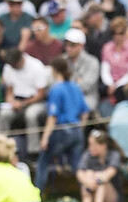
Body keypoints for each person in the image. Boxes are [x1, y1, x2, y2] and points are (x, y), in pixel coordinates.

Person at [35, 57, 89, 193]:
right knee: (78, 167)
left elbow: (52, 117)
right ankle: (88, 197)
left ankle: (37, 195)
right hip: (76, 130)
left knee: (43, 162)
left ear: (54, 70)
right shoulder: (76, 86)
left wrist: (45, 138)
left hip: (62, 130)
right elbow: (85, 112)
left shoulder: (56, 89)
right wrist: (80, 128)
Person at [0, 48, 50, 156]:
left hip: (36, 101)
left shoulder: (36, 66)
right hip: (17, 100)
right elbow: (9, 91)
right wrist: (11, 101)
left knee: (31, 115)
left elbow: (41, 94)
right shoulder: (9, 67)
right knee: (4, 114)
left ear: (21, 60)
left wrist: (23, 103)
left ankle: (33, 151)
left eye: (15, 65)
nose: (13, 67)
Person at [77, 129, 123, 202]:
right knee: (88, 173)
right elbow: (79, 172)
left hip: (111, 199)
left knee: (100, 177)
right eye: (89, 144)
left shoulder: (114, 154)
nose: (90, 147)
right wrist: (88, 182)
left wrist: (96, 180)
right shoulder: (88, 154)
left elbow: (110, 173)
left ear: (103, 145)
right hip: (92, 190)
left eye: (93, 145)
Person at [63, 28, 99, 113]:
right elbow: (54, 82)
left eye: (72, 45)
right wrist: (76, 80)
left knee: (75, 107)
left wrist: (66, 82)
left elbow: (85, 86)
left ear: (81, 45)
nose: (68, 48)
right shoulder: (62, 60)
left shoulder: (92, 61)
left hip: (86, 97)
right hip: (64, 96)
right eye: (67, 45)